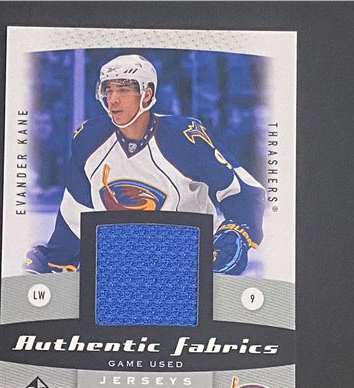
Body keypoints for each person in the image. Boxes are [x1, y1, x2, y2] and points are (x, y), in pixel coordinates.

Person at [23, 54, 265, 276]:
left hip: (190, 266)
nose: (113, 99)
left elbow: (241, 189)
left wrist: (236, 233)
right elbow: (76, 208)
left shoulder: (183, 139)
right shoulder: (89, 140)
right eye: (108, 90)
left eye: (123, 89)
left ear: (147, 94)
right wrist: (55, 260)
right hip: (124, 272)